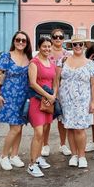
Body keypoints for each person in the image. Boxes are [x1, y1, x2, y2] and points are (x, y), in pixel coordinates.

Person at [0, 31, 32, 171]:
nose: (20, 42)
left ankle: (14, 155)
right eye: (18, 40)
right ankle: (4, 156)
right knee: (14, 128)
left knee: (19, 127)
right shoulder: (6, 56)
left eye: (23, 40)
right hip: (9, 96)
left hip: (23, 96)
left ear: (27, 43)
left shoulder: (28, 57)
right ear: (14, 41)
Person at [57, 34, 94, 168]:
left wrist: (93, 102)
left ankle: (82, 156)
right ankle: (74, 155)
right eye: (75, 44)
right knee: (69, 128)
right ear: (71, 46)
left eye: (80, 44)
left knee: (80, 129)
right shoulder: (63, 61)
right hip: (66, 100)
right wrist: (56, 96)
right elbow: (56, 80)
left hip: (82, 101)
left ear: (84, 45)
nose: (78, 46)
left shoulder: (90, 64)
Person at [27, 37, 58, 177]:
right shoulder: (34, 63)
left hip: (48, 101)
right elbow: (33, 83)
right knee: (38, 132)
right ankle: (32, 165)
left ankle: (38, 157)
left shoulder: (51, 63)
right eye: (44, 46)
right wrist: (47, 96)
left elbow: (55, 82)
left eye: (48, 46)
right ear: (39, 47)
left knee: (45, 130)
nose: (46, 49)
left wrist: (53, 97)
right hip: (37, 100)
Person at [40, 28, 71, 158]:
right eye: (55, 36)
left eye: (60, 36)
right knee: (46, 119)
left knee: (62, 119)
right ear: (51, 38)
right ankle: (45, 145)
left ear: (63, 38)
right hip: (47, 89)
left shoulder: (68, 54)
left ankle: (63, 144)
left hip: (64, 89)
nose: (58, 39)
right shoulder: (46, 51)